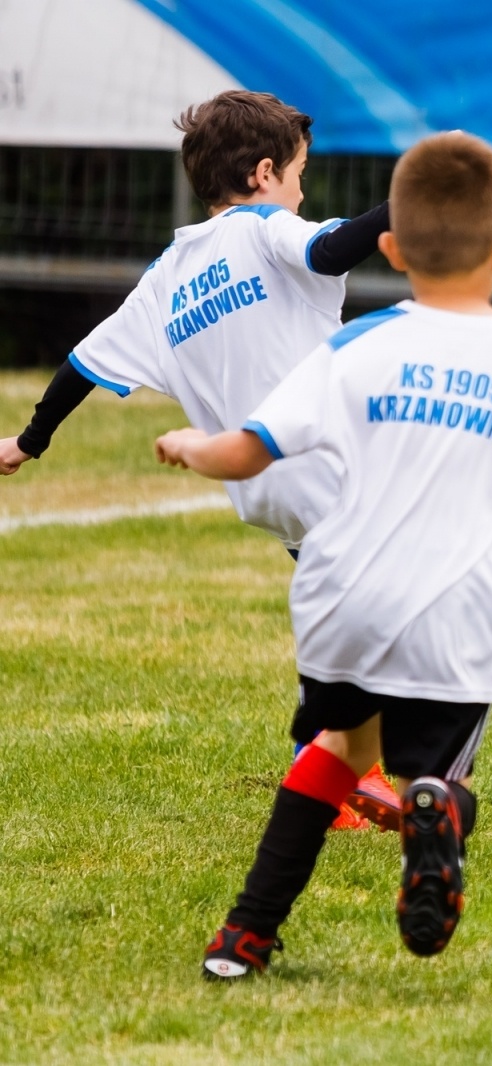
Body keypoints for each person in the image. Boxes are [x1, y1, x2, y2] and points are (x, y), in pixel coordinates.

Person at [154, 130, 492, 979]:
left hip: (341, 597)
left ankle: (244, 935)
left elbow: (252, 449)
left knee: (341, 750)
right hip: (460, 610)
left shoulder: (352, 349)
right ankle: (436, 804)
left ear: (391, 249)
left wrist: (191, 444)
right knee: (434, 770)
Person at [0, 90, 399, 829]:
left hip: (262, 492)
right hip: (331, 465)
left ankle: (342, 770)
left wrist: (27, 442)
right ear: (265, 172)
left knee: (356, 613)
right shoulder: (263, 226)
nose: (303, 191)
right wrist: (415, 199)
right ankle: (330, 748)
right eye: (300, 175)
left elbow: (82, 365)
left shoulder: (168, 274)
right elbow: (329, 248)